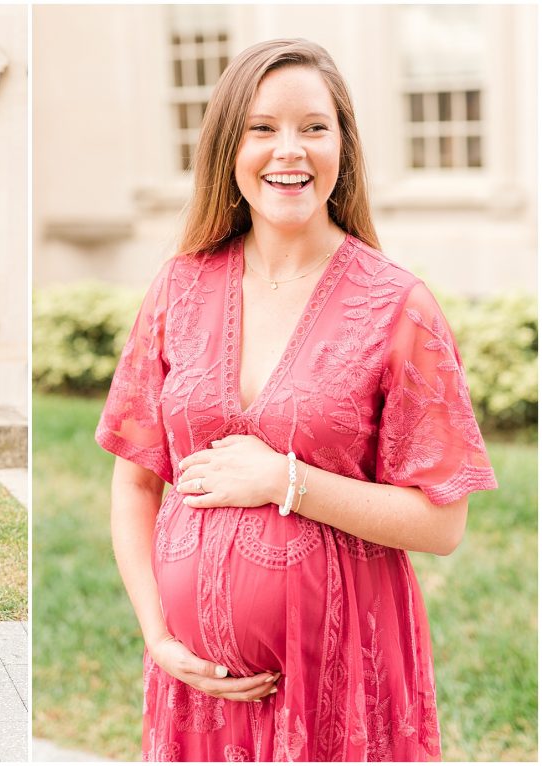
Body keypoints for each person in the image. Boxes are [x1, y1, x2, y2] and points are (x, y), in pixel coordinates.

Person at [96, 39, 497, 762]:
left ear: (343, 146)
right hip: (197, 693)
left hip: (340, 686)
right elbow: (134, 482)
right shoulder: (178, 288)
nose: (291, 150)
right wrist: (157, 635)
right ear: (228, 147)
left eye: (314, 127)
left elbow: (443, 524)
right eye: (262, 128)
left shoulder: (397, 306)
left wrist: (286, 482)